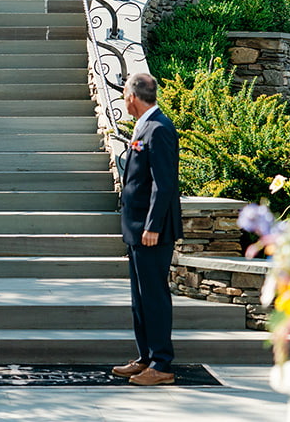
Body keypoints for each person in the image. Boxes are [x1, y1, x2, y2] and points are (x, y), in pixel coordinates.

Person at [113, 72, 182, 386]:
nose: (124, 99)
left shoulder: (160, 129)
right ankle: (144, 358)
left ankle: (161, 364)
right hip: (136, 228)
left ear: (132, 96)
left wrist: (153, 226)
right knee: (139, 298)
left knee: (153, 296)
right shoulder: (144, 126)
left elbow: (164, 185)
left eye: (125, 93)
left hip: (151, 230)